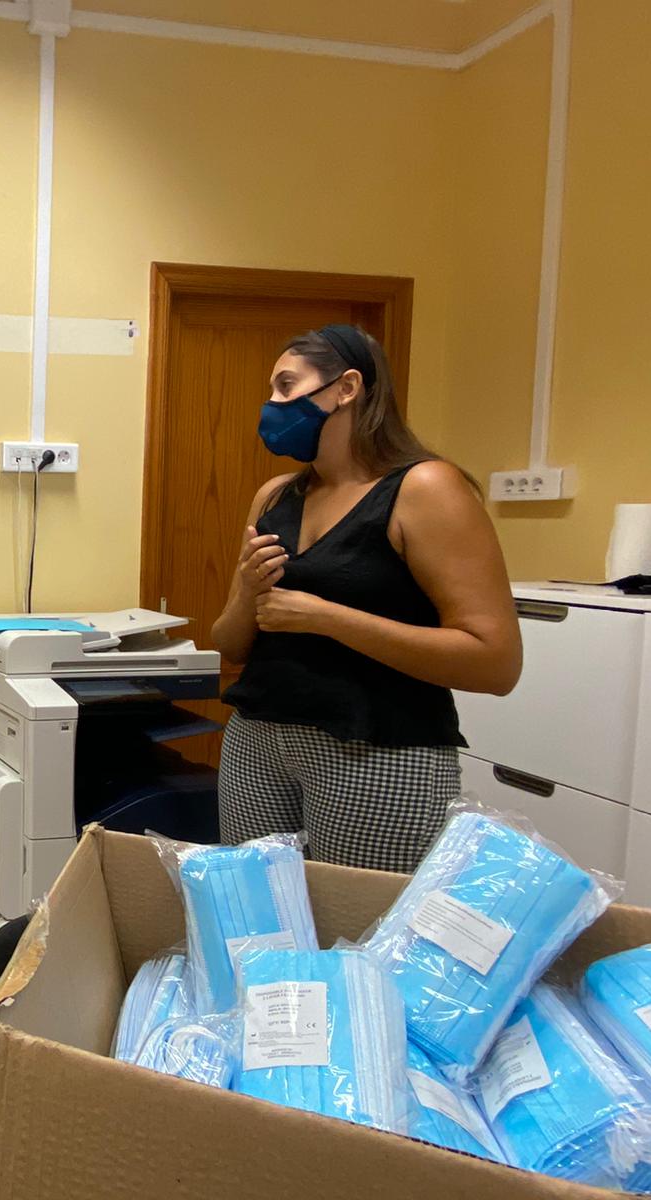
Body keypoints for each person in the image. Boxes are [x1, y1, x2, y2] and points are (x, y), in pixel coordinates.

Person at [210, 324, 522, 873]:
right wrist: (249, 593)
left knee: (359, 937)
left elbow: (495, 663)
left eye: (286, 386)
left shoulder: (426, 488)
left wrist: (327, 618)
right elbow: (231, 643)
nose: (272, 404)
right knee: (256, 924)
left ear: (347, 388)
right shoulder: (277, 495)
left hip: (377, 754)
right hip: (258, 745)